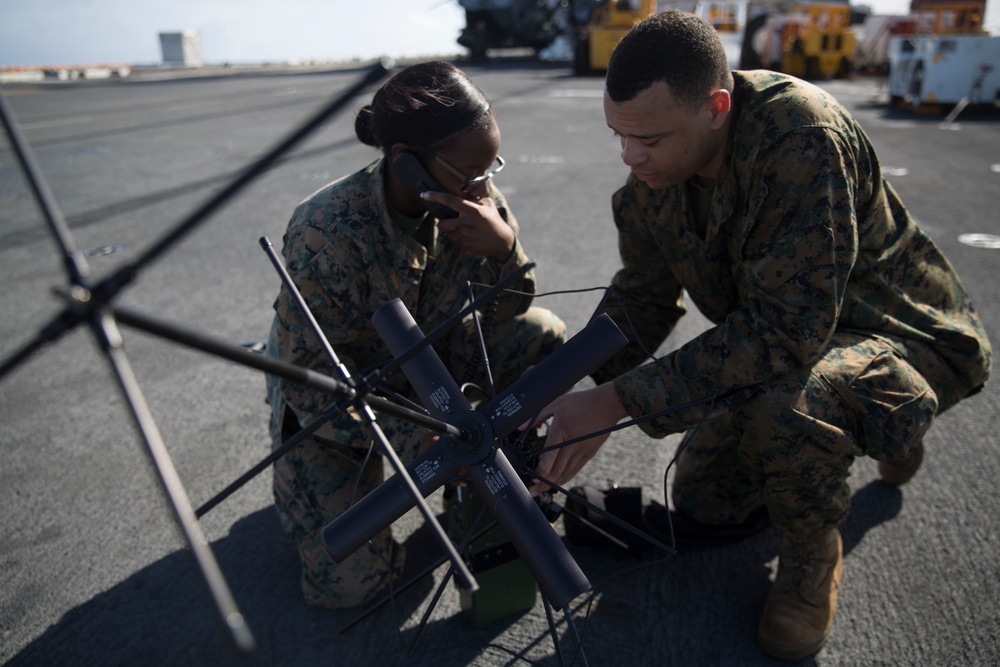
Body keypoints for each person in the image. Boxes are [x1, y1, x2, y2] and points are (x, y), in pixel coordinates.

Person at [529, 10, 992, 662]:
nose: (631, 157)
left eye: (651, 139)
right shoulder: (651, 186)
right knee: (704, 500)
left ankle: (812, 555)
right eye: (619, 136)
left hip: (905, 336)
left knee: (789, 406)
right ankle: (875, 429)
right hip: (794, 339)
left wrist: (615, 403)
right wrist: (569, 394)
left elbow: (785, 332)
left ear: (717, 107)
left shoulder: (800, 139)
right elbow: (643, 299)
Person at [265, 61, 566, 610]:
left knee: (544, 338)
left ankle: (502, 475)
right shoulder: (326, 231)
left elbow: (514, 309)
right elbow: (308, 379)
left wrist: (504, 251)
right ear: (407, 163)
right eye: (470, 172)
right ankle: (328, 490)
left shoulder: (477, 197)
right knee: (350, 586)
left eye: (489, 168)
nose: (484, 185)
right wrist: (419, 444)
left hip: (438, 365)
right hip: (350, 399)